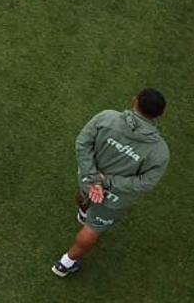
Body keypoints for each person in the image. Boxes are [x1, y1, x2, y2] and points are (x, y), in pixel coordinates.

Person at [52, 90, 171, 278]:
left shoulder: (107, 117)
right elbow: (146, 182)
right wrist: (107, 182)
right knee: (94, 228)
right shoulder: (159, 151)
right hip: (114, 198)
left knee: (84, 194)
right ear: (160, 114)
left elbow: (83, 143)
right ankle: (65, 264)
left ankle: (83, 213)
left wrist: (94, 178)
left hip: (87, 181)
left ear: (135, 101)